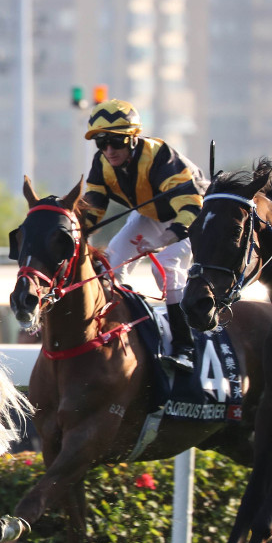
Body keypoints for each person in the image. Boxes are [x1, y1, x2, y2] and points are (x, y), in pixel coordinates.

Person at [81, 99, 208, 371]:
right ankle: (133, 331)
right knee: (110, 264)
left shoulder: (159, 155)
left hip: (193, 217)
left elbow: (190, 205)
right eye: (101, 143)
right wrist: (74, 229)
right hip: (151, 216)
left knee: (167, 268)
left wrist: (168, 238)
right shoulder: (102, 162)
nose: (109, 150)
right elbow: (93, 207)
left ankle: (186, 348)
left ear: (133, 138)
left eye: (116, 142)